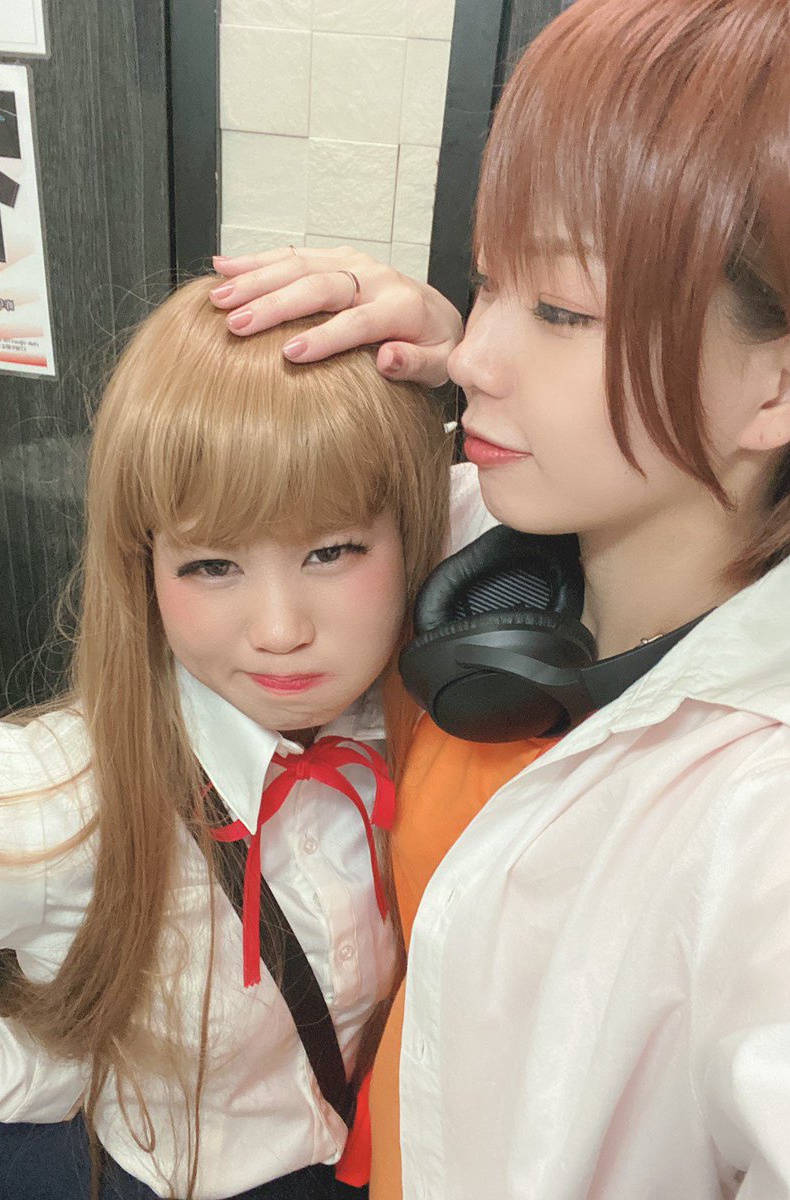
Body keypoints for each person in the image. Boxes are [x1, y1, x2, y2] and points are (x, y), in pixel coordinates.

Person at [209, 0, 790, 1195]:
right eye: (487, 283)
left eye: (564, 310)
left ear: (775, 389)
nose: (473, 353)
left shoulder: (760, 824)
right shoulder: (493, 559)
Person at [0, 276, 481, 1200]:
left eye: (331, 551)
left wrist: (468, 363)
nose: (280, 629)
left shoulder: (416, 712)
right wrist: (48, 1079)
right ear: (145, 568)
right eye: (211, 564)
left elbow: (604, 506)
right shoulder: (67, 800)